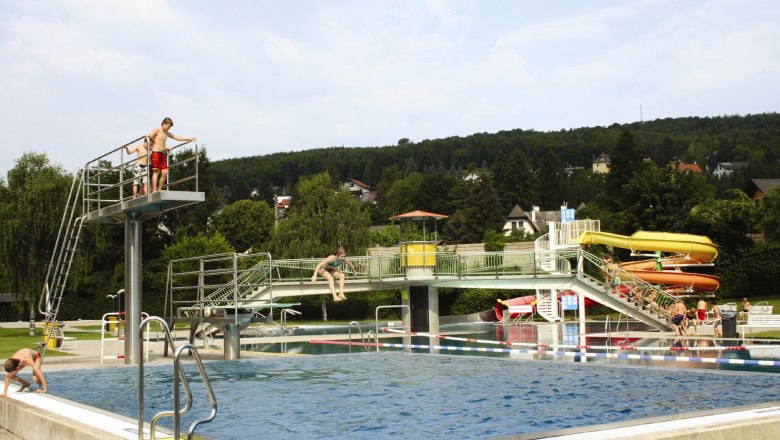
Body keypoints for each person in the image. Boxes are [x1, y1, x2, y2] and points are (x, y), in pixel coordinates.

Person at [146, 117, 196, 192]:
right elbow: (149, 137)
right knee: (156, 171)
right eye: (168, 126)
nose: (169, 128)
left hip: (162, 153)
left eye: (170, 127)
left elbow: (177, 137)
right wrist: (147, 136)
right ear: (163, 124)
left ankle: (159, 188)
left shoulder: (167, 133)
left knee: (165, 172)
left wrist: (190, 139)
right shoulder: (157, 130)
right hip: (156, 152)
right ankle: (154, 190)